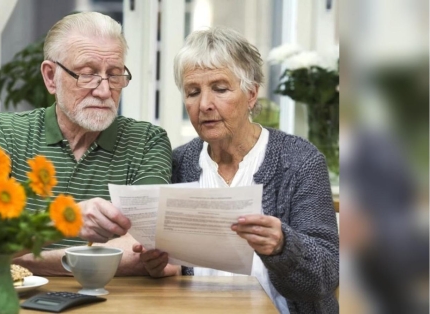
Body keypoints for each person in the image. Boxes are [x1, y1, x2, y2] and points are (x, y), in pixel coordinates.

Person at [134, 27, 339, 313]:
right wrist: (158, 267)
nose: (204, 104)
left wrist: (282, 246)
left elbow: (326, 276)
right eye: (193, 92)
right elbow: (172, 274)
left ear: (251, 94)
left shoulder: (300, 161)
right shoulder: (178, 162)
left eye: (219, 89)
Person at [0, 12, 179, 277]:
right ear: (50, 77)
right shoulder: (5, 133)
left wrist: (19, 262)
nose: (104, 91)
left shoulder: (147, 141)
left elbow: (146, 252)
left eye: (114, 75)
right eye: (87, 74)